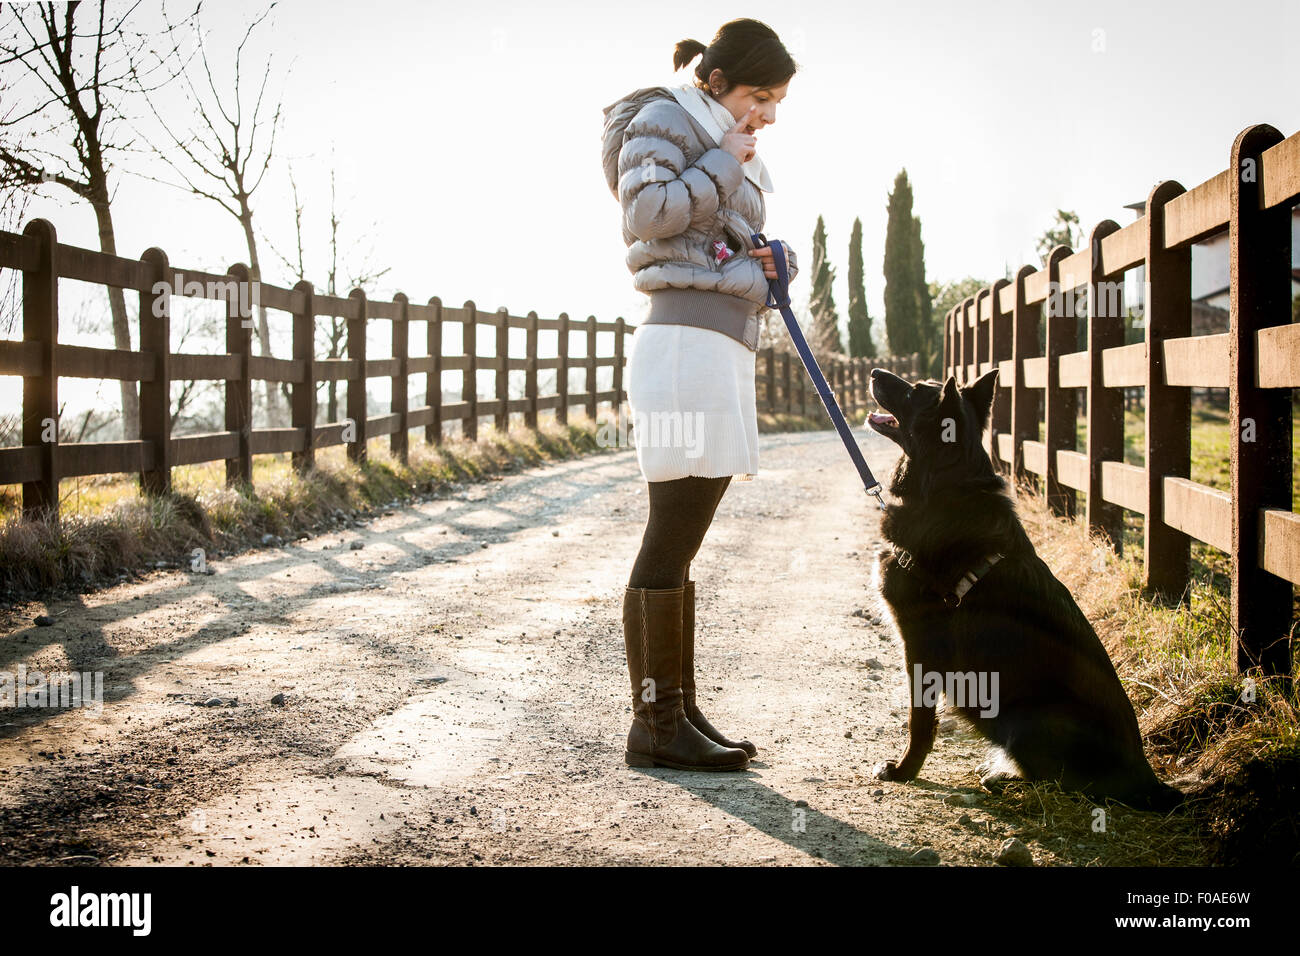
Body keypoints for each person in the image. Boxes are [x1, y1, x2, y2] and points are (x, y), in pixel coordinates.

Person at [599, 18, 800, 771]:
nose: (769, 114)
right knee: (670, 537)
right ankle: (654, 723)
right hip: (682, 347)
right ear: (718, 82)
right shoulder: (669, 121)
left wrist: (775, 263)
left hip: (713, 347)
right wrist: (722, 161)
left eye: (778, 101)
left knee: (684, 543)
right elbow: (646, 214)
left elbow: (716, 241)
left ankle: (674, 707)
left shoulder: (718, 135)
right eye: (760, 95)